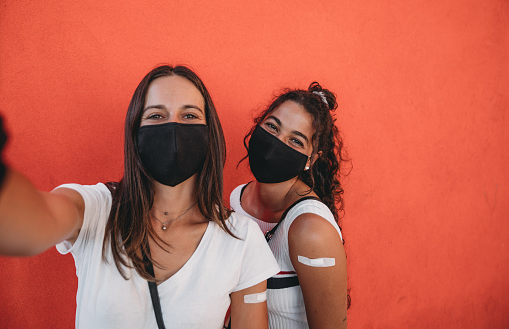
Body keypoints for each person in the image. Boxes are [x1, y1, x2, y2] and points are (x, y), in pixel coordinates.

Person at [0, 65, 279, 329]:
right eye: (156, 116)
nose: (173, 128)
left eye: (189, 116)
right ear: (136, 133)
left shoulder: (240, 239)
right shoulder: (96, 209)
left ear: (210, 134)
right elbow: (30, 224)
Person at [230, 82, 349, 328]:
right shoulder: (236, 200)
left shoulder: (310, 229)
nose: (276, 143)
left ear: (310, 160)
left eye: (295, 141)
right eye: (272, 127)